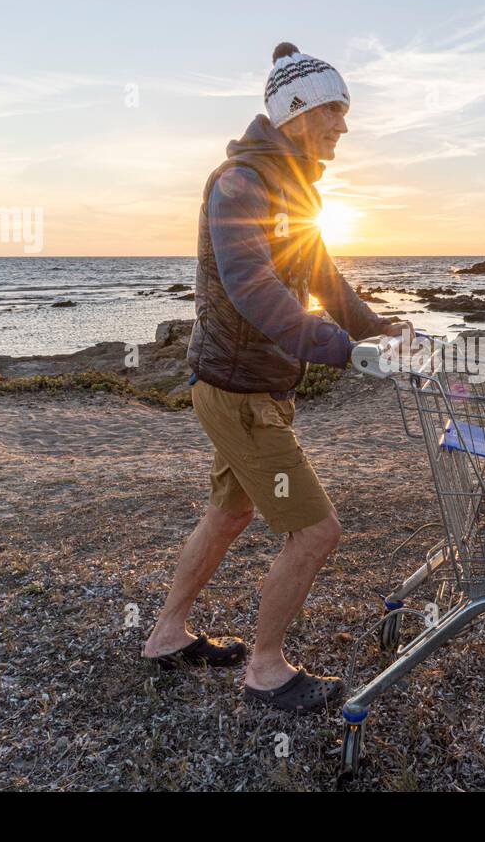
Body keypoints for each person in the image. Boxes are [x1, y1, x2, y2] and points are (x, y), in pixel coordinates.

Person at [142, 42, 412, 712]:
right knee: (317, 531)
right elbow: (254, 289)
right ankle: (265, 669)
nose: (343, 126)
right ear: (297, 112)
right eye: (335, 110)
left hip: (251, 388)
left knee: (231, 511)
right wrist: (341, 350)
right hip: (239, 394)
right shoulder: (240, 186)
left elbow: (323, 277)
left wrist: (378, 330)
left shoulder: (292, 189)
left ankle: (167, 635)